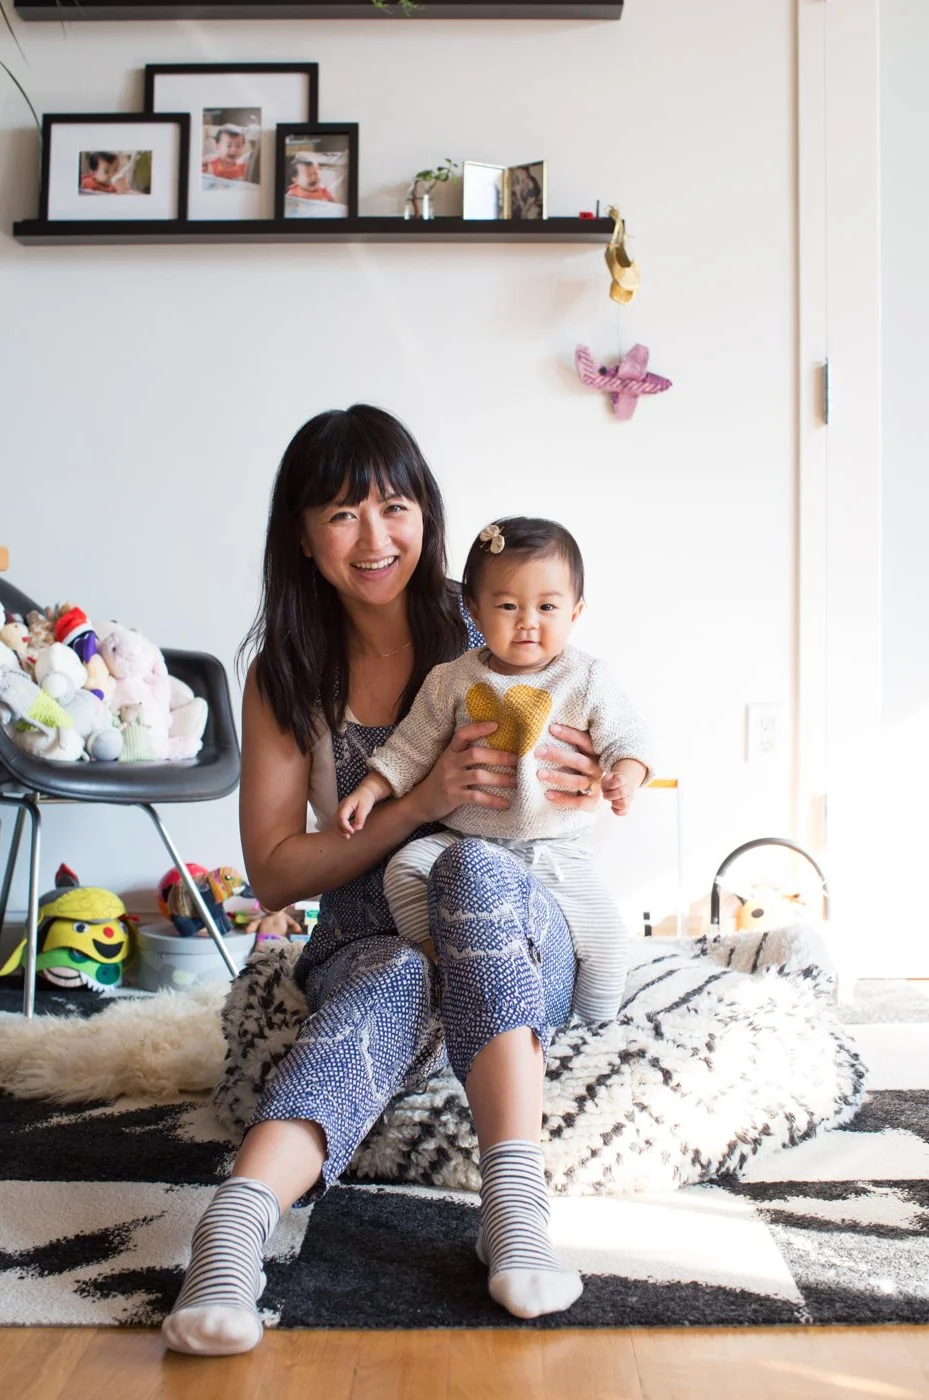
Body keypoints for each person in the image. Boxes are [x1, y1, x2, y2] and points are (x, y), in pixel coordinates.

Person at [162, 405, 630, 1357]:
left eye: (394, 505)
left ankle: (515, 1209)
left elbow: (592, 756)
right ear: (299, 534)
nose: (374, 539)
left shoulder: (495, 618)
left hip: (510, 926)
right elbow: (274, 873)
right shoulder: (288, 674)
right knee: (394, 978)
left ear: (427, 512)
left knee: (474, 867)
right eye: (340, 514)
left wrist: (587, 778)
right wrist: (414, 805)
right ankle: (233, 1230)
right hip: (370, 934)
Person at [336, 516, 652, 1023]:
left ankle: (590, 1030)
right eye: (508, 606)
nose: (528, 621)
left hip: (556, 854)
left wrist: (625, 775)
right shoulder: (452, 680)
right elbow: (412, 747)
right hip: (469, 848)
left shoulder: (586, 677)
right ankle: (440, 959)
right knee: (405, 867)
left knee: (610, 944)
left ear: (576, 613)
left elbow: (628, 739)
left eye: (547, 607)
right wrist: (372, 788)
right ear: (475, 612)